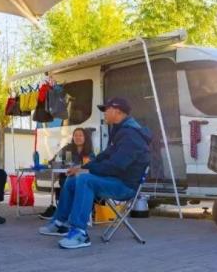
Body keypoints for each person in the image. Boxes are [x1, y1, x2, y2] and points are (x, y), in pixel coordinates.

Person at [39, 97, 151, 249]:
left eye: (107, 110)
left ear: (117, 111)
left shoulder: (131, 136)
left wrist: (87, 169)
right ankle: (60, 222)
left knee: (85, 180)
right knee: (73, 179)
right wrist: (82, 167)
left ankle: (80, 233)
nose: (104, 113)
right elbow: (103, 156)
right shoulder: (120, 131)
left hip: (125, 186)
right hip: (115, 180)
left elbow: (116, 166)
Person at [39, 128, 95, 220]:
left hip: (82, 177)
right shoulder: (67, 148)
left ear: (85, 137)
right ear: (73, 137)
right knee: (65, 181)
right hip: (67, 176)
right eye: (75, 135)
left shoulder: (89, 152)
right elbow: (55, 159)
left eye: (80, 135)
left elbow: (89, 166)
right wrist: (57, 163)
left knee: (76, 184)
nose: (78, 137)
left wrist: (77, 169)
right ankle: (60, 213)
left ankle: (72, 213)